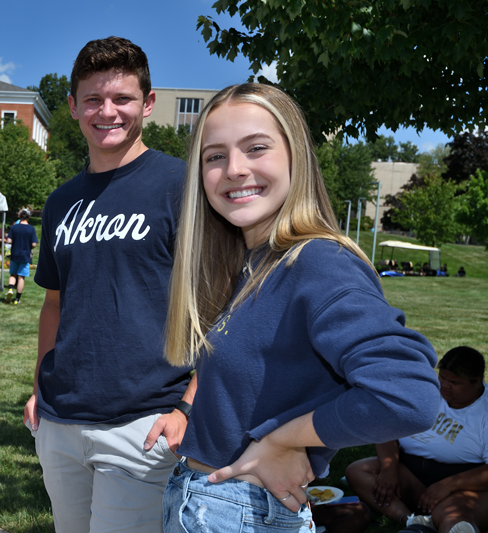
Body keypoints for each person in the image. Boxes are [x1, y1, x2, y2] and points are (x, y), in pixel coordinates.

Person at [161, 83, 440, 533]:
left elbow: (407, 395)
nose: (234, 169)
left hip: (242, 512)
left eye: (256, 148)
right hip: (212, 501)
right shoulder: (253, 264)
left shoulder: (317, 262)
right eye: (214, 156)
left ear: (296, 156)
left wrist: (285, 439)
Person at [26, 36, 196, 532]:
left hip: (141, 422)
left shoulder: (180, 185)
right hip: (61, 421)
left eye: (121, 99)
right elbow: (55, 303)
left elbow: (220, 307)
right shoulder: (61, 201)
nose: (108, 112)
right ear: (74, 106)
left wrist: (189, 404)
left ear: (147, 103)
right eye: (94, 99)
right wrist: (39, 384)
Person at [346, 346, 488, 533]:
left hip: (462, 483)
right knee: (358, 470)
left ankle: (447, 521)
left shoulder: (486, 411)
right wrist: (388, 469)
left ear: (476, 381)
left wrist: (449, 484)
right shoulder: (425, 390)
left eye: (454, 382)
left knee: (453, 516)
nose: (444, 386)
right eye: (442, 378)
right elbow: (388, 431)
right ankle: (412, 521)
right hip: (409, 470)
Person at [4, 209, 37, 305]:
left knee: (13, 274)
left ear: (19, 216)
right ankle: (17, 299)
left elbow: (9, 241)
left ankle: (10, 289)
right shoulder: (31, 229)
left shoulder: (14, 227)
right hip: (25, 255)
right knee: (21, 277)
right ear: (28, 217)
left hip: (15, 254)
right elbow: (34, 244)